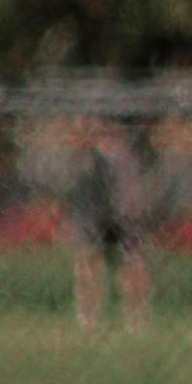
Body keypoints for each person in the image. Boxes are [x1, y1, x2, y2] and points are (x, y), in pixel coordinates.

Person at [67, 120, 151, 332]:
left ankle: (137, 316)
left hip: (123, 217)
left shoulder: (127, 159)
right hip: (94, 217)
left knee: (133, 264)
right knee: (88, 261)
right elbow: (78, 192)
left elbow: (133, 193)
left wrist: (131, 215)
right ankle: (87, 315)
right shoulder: (86, 159)